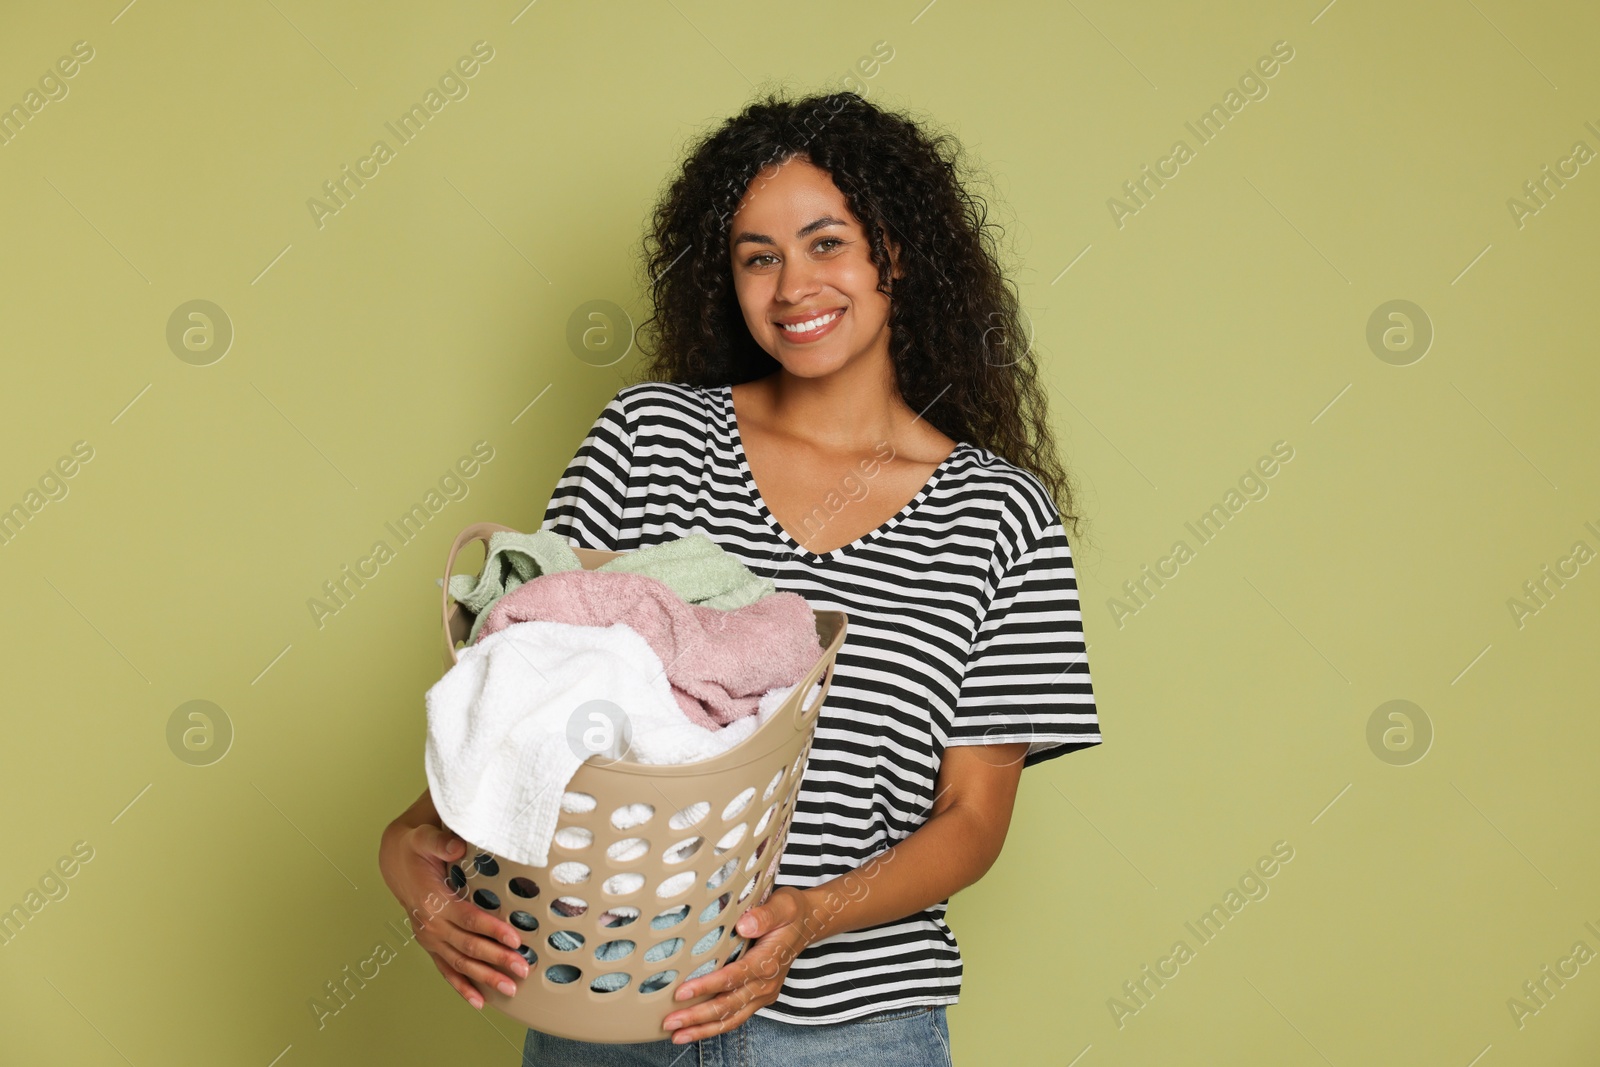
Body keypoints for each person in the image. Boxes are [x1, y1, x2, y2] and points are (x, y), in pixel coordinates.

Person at [379, 88, 1103, 1066]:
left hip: (856, 1032)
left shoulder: (996, 516)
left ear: (896, 251)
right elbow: (523, 695)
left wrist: (803, 916)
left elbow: (972, 818)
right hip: (612, 1007)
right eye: (757, 256)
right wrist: (411, 863)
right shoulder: (648, 441)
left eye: (824, 242)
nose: (791, 284)